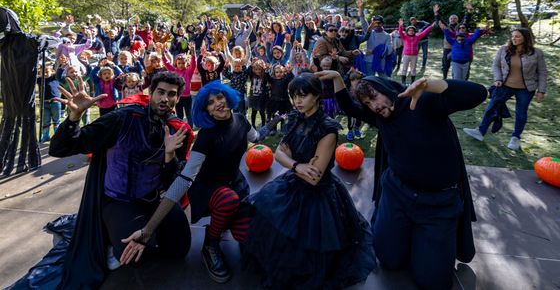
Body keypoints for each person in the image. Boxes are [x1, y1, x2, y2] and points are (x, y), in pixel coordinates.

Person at [317, 70, 487, 290]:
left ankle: (421, 241)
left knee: (432, 281)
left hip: (438, 204)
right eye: (368, 103)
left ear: (386, 88)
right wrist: (338, 79)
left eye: (374, 97)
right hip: (398, 195)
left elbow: (478, 93)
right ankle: (402, 232)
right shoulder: (379, 116)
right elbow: (349, 107)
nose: (374, 106)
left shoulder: (423, 103)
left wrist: (429, 85)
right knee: (389, 259)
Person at [119, 81, 280, 283]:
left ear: (228, 97)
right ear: (206, 111)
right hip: (208, 189)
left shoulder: (241, 120)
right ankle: (210, 244)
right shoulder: (206, 137)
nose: (218, 104)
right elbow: (185, 178)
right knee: (228, 200)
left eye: (220, 98)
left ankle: (225, 224)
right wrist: (148, 230)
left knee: (251, 236)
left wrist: (274, 122)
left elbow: (256, 137)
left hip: (236, 186)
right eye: (210, 103)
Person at [48, 71, 194, 289]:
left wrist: (170, 156)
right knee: (135, 258)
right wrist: (74, 118)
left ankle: (131, 232)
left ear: (178, 98)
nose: (165, 99)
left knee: (179, 249)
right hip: (119, 201)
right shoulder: (122, 118)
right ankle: (107, 237)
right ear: (150, 92)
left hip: (154, 199)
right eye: (160, 92)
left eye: (171, 94)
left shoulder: (176, 129)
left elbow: (174, 179)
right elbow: (60, 148)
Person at [243, 73, 376, 288]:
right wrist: (297, 165)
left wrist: (290, 160)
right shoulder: (295, 118)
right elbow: (278, 153)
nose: (297, 101)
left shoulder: (327, 128)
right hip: (293, 181)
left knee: (311, 248)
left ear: (317, 96)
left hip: (319, 194)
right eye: (294, 96)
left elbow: (314, 177)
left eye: (303, 95)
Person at [463, 28, 547, 151]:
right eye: (513, 36)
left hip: (526, 89)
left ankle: (515, 137)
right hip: (504, 85)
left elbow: (542, 72)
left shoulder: (536, 53)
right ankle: (480, 131)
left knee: (521, 112)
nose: (514, 38)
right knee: (492, 106)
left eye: (517, 36)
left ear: (525, 38)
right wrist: (497, 79)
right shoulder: (504, 49)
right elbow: (496, 65)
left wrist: (541, 91)